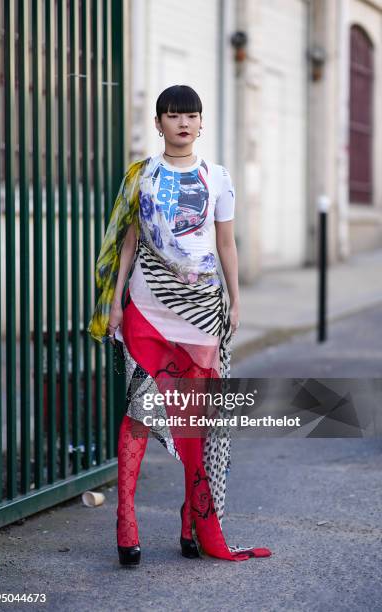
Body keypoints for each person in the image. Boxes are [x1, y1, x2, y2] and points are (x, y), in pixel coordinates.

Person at [87, 85, 272, 566]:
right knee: (142, 408)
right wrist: (113, 304)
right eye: (173, 116)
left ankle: (192, 518)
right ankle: (125, 518)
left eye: (191, 116)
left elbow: (226, 243)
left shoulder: (218, 178)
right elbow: (128, 243)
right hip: (148, 309)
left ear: (201, 122)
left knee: (196, 418)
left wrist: (235, 299)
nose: (183, 123)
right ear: (159, 123)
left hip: (202, 312)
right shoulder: (142, 177)